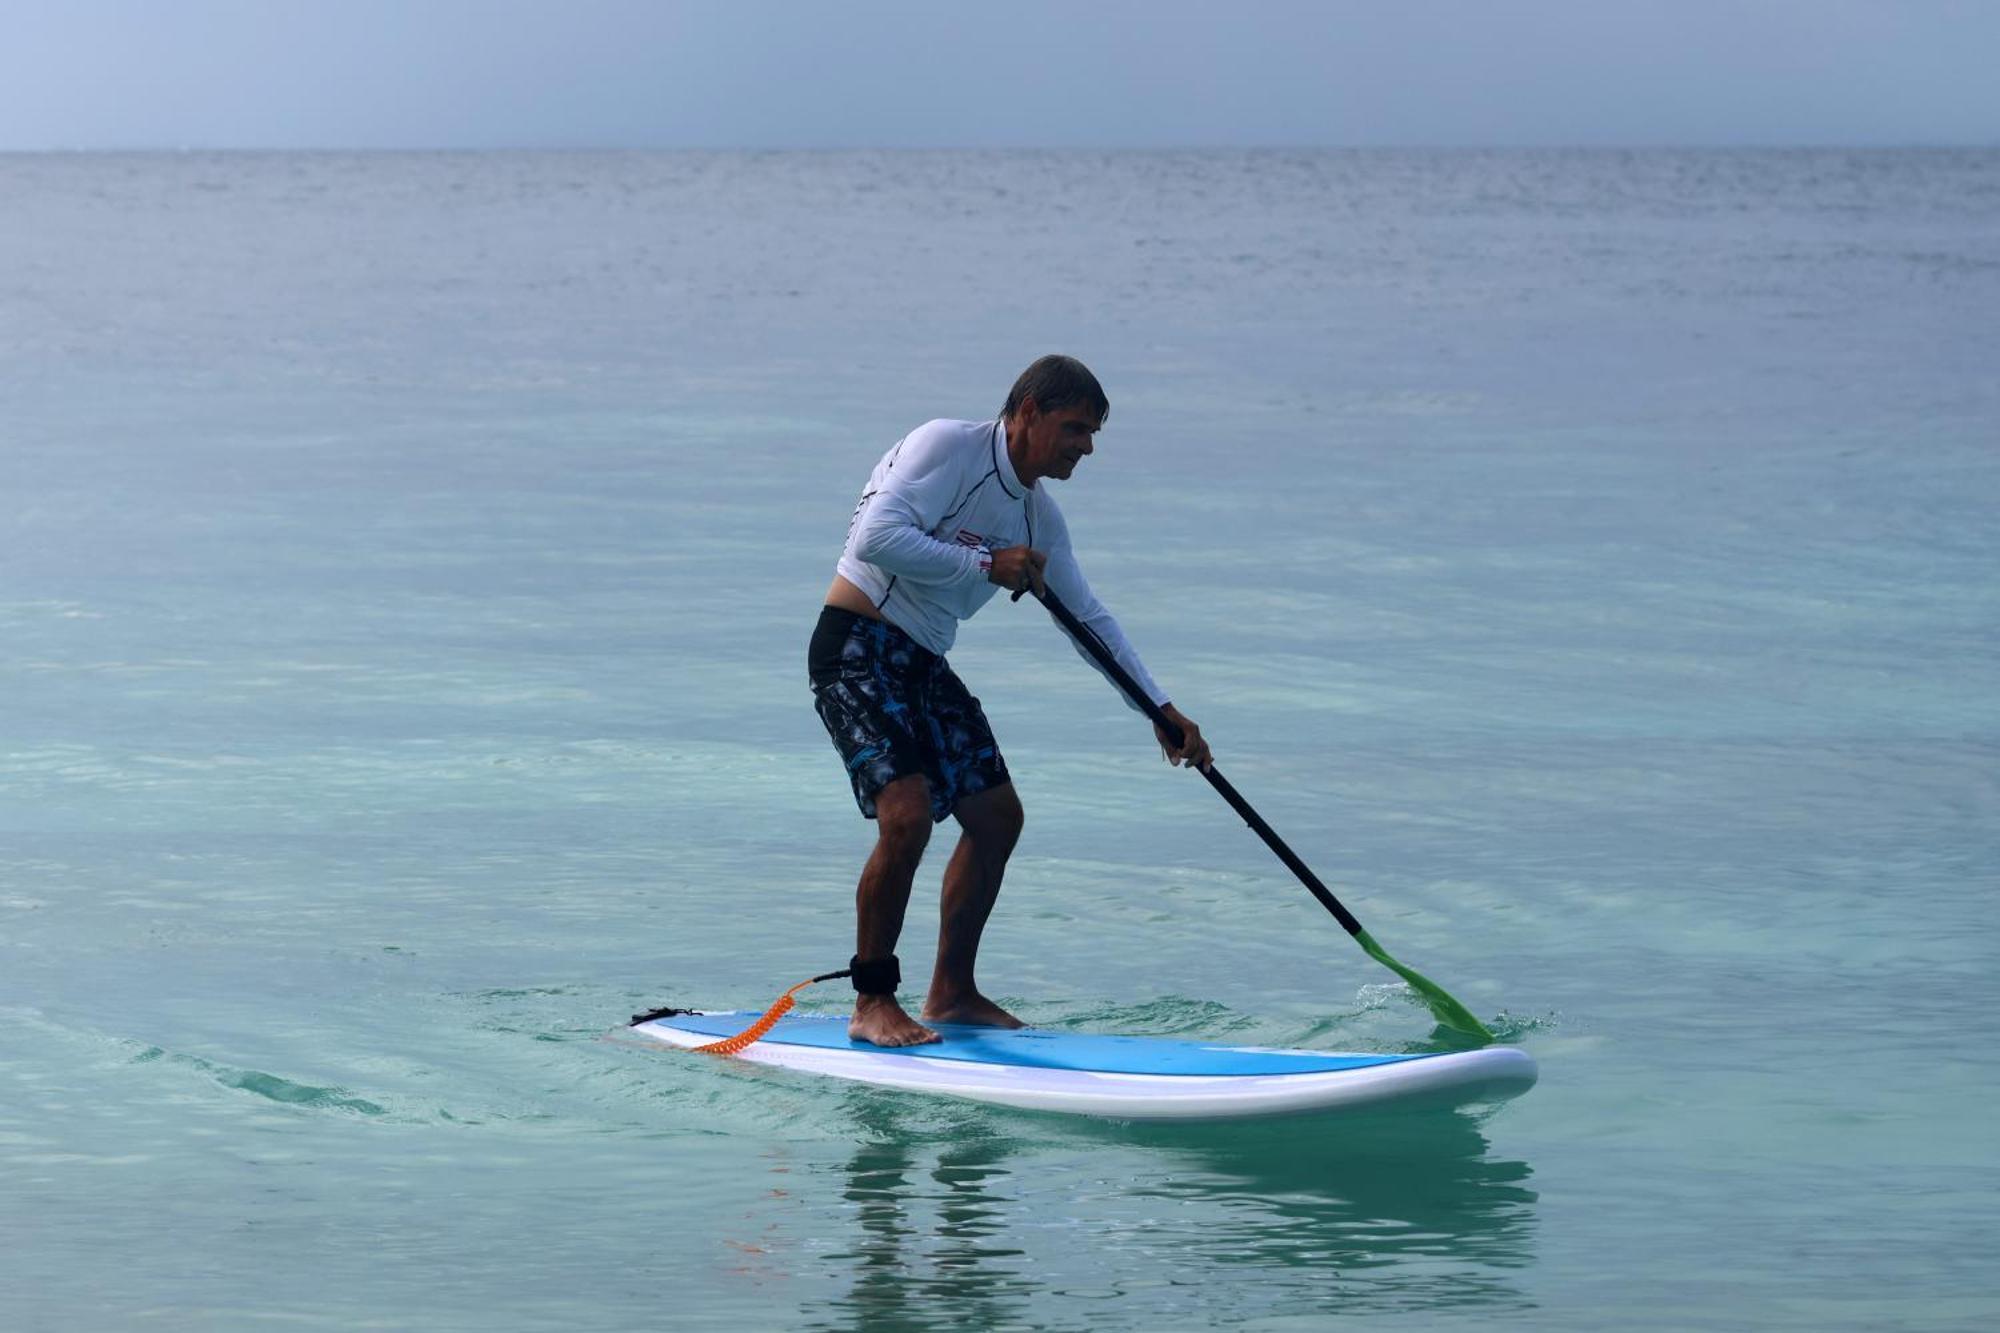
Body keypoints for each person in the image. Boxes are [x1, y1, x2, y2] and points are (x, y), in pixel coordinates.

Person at [808, 354, 1212, 1047]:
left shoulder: (1037, 517)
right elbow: (874, 536)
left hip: (923, 662)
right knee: (906, 818)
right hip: (855, 646)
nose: (1085, 446)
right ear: (1027, 412)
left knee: (996, 818)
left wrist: (1160, 708)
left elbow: (1088, 620)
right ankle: (872, 1000)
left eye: (1092, 434)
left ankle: (952, 992)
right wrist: (984, 564)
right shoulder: (947, 447)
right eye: (1075, 428)